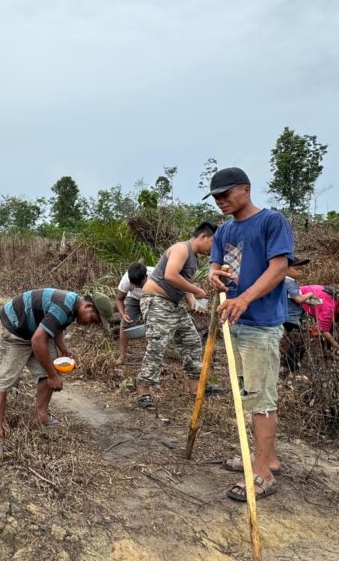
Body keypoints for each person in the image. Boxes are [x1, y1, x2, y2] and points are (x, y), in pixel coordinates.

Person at [206, 167, 294, 502]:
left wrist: (244, 298)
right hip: (234, 322)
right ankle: (264, 456)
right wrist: (214, 276)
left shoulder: (271, 221)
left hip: (261, 323)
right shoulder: (224, 231)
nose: (221, 201)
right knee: (248, 394)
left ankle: (263, 473)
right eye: (216, 196)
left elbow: (279, 268)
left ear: (246, 189)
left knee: (260, 399)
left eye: (226, 194)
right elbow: (216, 266)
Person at [0, 289, 115, 456]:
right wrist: (53, 376)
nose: (90, 323)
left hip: (34, 331)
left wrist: (64, 349)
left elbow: (56, 328)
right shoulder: (63, 307)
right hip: (13, 330)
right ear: (88, 306)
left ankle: (41, 414)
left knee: (50, 368)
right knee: (2, 381)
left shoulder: (72, 308)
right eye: (93, 319)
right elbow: (38, 341)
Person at [135, 222, 217, 411]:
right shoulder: (182, 248)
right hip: (156, 300)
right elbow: (171, 275)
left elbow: (183, 283)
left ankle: (195, 387)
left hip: (173, 304)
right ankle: (144, 391)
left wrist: (192, 301)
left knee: (192, 341)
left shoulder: (194, 259)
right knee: (158, 345)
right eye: (213, 242)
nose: (213, 248)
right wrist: (197, 290)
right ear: (203, 237)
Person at [280, 258, 316, 376]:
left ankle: (286, 368)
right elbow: (299, 299)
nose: (300, 271)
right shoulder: (288, 281)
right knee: (298, 344)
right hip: (291, 317)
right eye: (297, 269)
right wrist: (310, 294)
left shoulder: (286, 281)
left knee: (292, 343)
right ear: (286, 269)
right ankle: (290, 370)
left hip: (289, 316)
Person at [115, 262, 154, 363]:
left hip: (153, 298)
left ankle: (153, 357)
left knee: (154, 325)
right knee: (125, 326)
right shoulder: (126, 281)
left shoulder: (156, 275)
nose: (139, 288)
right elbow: (119, 299)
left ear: (146, 277)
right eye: (135, 285)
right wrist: (123, 314)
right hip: (133, 299)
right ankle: (122, 356)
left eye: (140, 284)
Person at [299, 284, 339, 357]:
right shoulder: (328, 310)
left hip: (315, 293)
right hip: (299, 298)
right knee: (300, 330)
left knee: (327, 326)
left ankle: (326, 351)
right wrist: (338, 348)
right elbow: (323, 330)